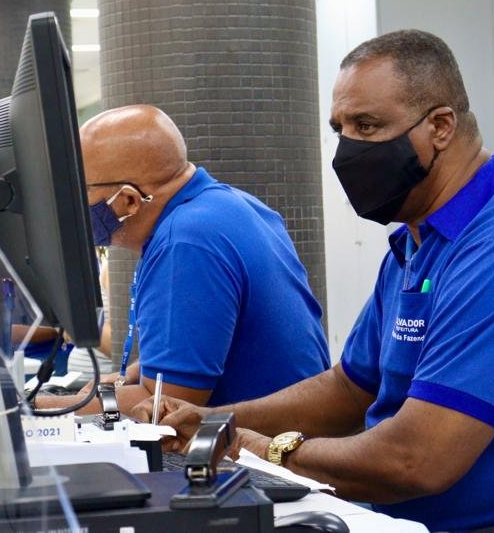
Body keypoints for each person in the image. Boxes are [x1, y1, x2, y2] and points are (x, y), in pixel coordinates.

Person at [137, 31, 494, 532]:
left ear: (441, 126)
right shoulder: (418, 238)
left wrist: (265, 450)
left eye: (367, 125)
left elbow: (418, 460)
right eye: (341, 128)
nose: (347, 150)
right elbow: (350, 389)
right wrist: (213, 422)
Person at [39, 105, 330, 415]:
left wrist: (33, 406)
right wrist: (128, 378)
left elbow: (167, 407)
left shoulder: (185, 241)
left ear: (128, 200)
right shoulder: (229, 205)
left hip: (259, 452)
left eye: (80, 190)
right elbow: (196, 349)